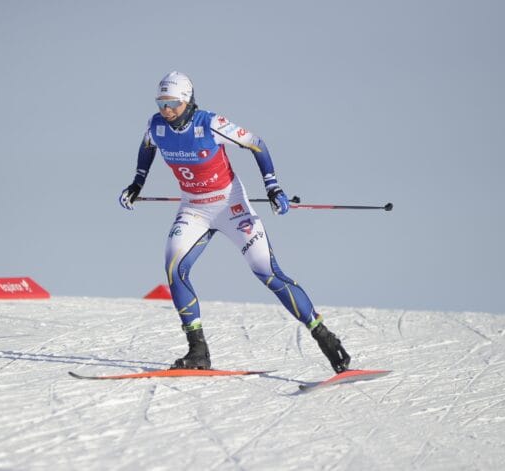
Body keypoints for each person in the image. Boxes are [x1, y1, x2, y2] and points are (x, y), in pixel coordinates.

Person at [119, 71, 350, 373]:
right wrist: (137, 184)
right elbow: (147, 147)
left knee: (267, 273)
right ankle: (198, 351)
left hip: (232, 207)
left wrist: (273, 186)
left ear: (186, 100)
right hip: (193, 210)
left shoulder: (210, 123)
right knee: (175, 269)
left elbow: (257, 144)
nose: (166, 109)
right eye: (161, 102)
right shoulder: (156, 125)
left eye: (172, 103)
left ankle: (325, 338)